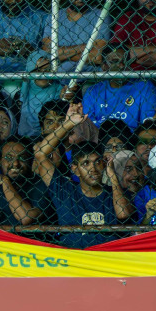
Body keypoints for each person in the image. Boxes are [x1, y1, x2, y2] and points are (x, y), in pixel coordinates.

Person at [33, 103, 127, 248]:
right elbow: (40, 154)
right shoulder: (65, 191)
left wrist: (112, 176)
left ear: (104, 163)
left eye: (97, 163)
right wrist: (68, 123)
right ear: (75, 169)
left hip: (107, 260)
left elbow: (123, 214)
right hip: (74, 260)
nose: (93, 169)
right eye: (86, 164)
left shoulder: (113, 193)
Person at [0, 138, 48, 226]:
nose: (15, 163)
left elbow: (26, 218)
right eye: (9, 157)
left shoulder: (40, 184)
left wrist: (5, 181)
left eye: (22, 158)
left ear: (30, 161)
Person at [81, 45, 156, 131]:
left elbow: (147, 123)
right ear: (104, 67)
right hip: (100, 139)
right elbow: (88, 126)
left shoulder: (144, 86)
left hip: (131, 139)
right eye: (115, 61)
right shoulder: (93, 91)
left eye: (126, 61)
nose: (121, 66)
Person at [42, 0, 109, 71]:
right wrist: (84, 47)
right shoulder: (54, 17)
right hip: (57, 80)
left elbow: (97, 57)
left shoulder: (100, 16)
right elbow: (47, 51)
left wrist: (60, 54)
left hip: (89, 78)